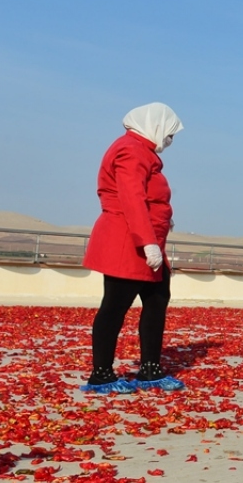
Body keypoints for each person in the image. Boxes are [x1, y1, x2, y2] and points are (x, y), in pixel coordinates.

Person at [81, 102, 185, 394]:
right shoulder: (131, 150)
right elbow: (131, 198)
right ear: (156, 125)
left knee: (156, 299)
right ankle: (101, 373)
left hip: (143, 238)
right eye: (169, 135)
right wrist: (147, 241)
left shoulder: (142, 151)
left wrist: (164, 220)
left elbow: (149, 196)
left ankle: (151, 367)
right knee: (115, 305)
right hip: (128, 241)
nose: (169, 141)